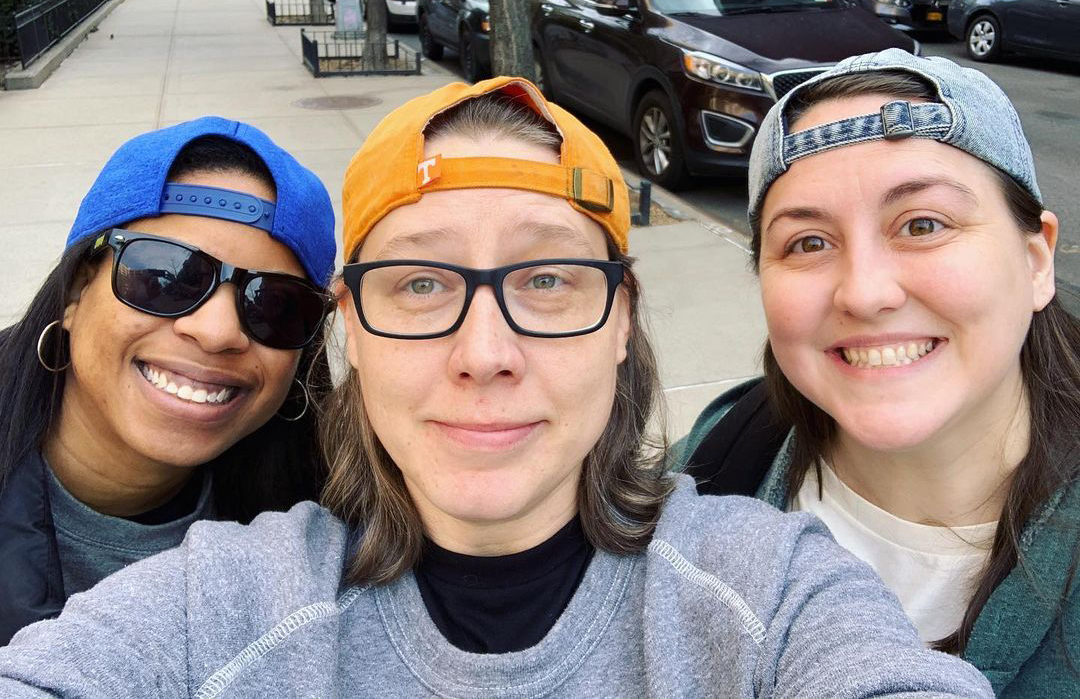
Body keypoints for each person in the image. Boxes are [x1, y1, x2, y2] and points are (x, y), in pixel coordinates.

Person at [0, 79, 991, 697]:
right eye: (421, 282)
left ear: (622, 324)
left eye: (549, 280)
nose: (485, 350)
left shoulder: (769, 594)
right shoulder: (225, 600)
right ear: (350, 328)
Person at [679, 49, 1079, 695]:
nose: (864, 294)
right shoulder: (712, 466)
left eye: (923, 224)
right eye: (808, 242)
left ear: (1036, 262)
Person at [0, 117, 335, 645]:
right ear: (75, 292)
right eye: (167, 275)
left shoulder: (331, 521)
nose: (217, 332)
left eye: (274, 304)